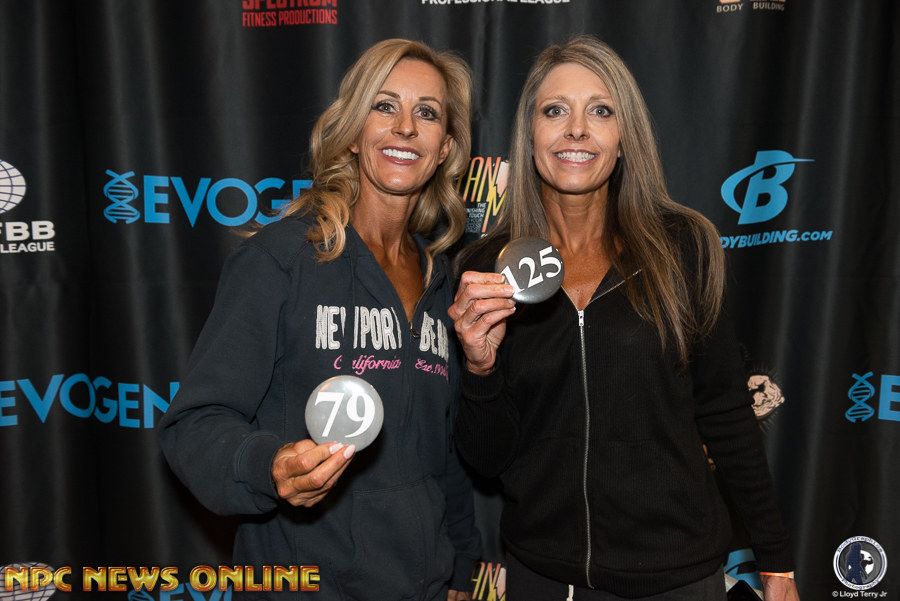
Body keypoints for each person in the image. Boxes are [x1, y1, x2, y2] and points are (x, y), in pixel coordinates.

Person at [449, 36, 800, 601]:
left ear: (624, 137)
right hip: (544, 576)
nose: (576, 130)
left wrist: (776, 561)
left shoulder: (685, 246)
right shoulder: (486, 270)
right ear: (529, 134)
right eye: (555, 110)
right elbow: (486, 461)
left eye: (601, 111)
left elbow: (726, 415)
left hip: (677, 578)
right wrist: (480, 368)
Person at [159, 39, 480, 601]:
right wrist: (270, 466)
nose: (406, 127)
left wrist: (460, 567)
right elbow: (194, 425)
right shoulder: (281, 259)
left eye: (427, 113)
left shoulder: (442, 281)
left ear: (445, 149)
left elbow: (442, 449)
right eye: (384, 106)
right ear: (353, 133)